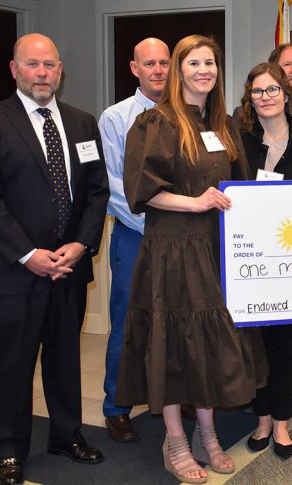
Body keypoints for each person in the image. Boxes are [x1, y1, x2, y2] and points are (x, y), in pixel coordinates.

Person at [116, 35, 268, 483]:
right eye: (194, 62)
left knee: (205, 347)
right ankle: (175, 440)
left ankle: (208, 433)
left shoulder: (221, 124)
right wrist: (195, 202)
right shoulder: (156, 121)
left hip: (214, 252)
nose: (204, 70)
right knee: (172, 346)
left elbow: (237, 190)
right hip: (172, 253)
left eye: (211, 62)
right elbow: (142, 193)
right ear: (179, 69)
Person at [0, 33, 109, 485]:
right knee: (14, 364)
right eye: (33, 65)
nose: (42, 73)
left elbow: (97, 192)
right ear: (15, 69)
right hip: (15, 271)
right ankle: (8, 449)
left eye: (49, 65)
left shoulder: (83, 123)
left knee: (65, 357)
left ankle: (66, 435)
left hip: (69, 266)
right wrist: (28, 254)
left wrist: (81, 245)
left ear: (60, 70)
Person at [237, 62, 292, 458]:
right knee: (256, 346)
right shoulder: (239, 140)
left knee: (288, 344)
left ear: (286, 94)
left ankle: (282, 424)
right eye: (258, 91)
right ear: (249, 97)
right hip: (251, 260)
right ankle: (260, 418)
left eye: (273, 89)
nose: (267, 97)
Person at [98, 37, 170, 444]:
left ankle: (173, 397)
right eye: (150, 64)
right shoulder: (115, 117)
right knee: (127, 322)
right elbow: (112, 182)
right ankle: (116, 407)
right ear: (134, 68)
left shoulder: (186, 112)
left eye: (164, 62)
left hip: (181, 238)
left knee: (177, 321)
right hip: (135, 234)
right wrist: (153, 224)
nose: (158, 70)